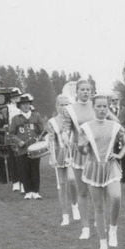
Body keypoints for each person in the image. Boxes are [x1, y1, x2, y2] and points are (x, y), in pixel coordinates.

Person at [77, 94, 125, 249]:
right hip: (93, 168)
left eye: (105, 106)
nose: (102, 109)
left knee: (116, 197)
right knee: (99, 207)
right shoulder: (86, 127)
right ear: (93, 107)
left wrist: (119, 155)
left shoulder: (114, 126)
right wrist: (82, 148)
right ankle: (103, 243)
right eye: (99, 106)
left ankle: (113, 228)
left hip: (111, 167)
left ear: (108, 108)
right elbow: (83, 150)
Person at [67, 79, 98, 240]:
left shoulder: (97, 106)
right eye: (82, 89)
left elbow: (114, 122)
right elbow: (66, 130)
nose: (86, 92)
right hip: (79, 152)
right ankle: (85, 227)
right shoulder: (70, 109)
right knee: (83, 190)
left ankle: (99, 219)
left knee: (98, 189)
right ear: (77, 91)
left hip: (97, 151)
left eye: (88, 89)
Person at [45, 94, 80, 225]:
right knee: (61, 184)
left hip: (73, 152)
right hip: (60, 153)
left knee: (72, 180)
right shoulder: (52, 122)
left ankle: (75, 205)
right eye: (61, 105)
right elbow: (51, 140)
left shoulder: (74, 119)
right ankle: (65, 215)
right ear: (56, 106)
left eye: (66, 104)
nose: (64, 107)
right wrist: (53, 156)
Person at [7, 93, 45, 199]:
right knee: (24, 170)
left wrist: (40, 138)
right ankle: (28, 192)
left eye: (27, 103)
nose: (26, 106)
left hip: (35, 149)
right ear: (19, 106)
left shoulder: (36, 116)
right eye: (23, 104)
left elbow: (42, 130)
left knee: (35, 170)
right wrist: (19, 141)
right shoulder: (15, 118)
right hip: (22, 149)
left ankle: (36, 192)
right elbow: (11, 134)